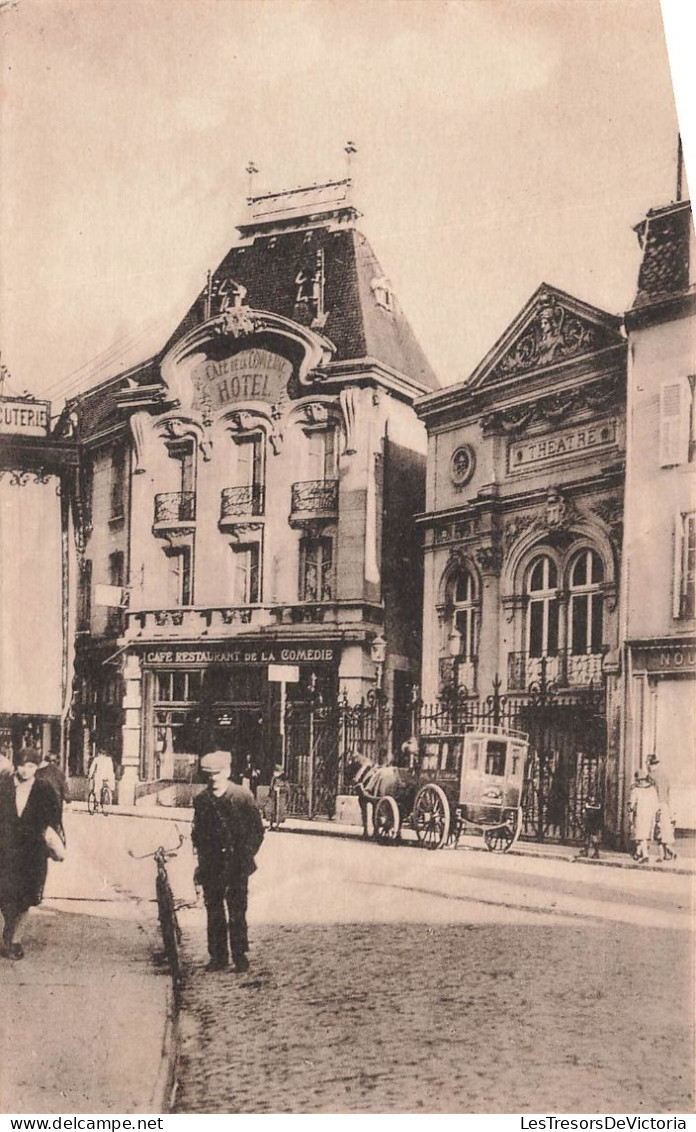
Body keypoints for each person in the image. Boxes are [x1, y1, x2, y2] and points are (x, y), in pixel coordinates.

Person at [192, 750, 264, 973]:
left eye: (218, 773)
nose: (214, 778)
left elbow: (257, 831)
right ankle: (218, 956)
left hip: (237, 864)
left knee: (237, 910)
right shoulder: (201, 801)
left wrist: (246, 855)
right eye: (209, 774)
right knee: (214, 911)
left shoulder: (243, 797)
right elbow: (198, 834)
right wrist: (201, 862)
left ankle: (240, 956)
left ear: (228, 772)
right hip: (211, 864)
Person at [0, 747, 63, 960]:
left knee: (26, 897)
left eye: (31, 766)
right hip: (5, 851)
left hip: (32, 853)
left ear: (36, 767)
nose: (26, 770)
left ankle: (15, 940)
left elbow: (53, 818)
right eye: (22, 765)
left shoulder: (44, 788)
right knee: (6, 896)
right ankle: (9, 927)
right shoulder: (3, 785)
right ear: (15, 765)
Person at [647, 753, 677, 862]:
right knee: (664, 831)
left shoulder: (650, 776)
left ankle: (662, 855)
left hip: (655, 805)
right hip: (665, 805)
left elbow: (650, 793)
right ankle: (668, 853)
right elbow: (668, 793)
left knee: (657, 831)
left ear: (650, 764)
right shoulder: (665, 776)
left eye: (647, 763)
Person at [628, 770, 659, 864]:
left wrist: (629, 808)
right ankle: (638, 853)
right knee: (644, 835)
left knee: (641, 836)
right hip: (650, 816)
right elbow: (656, 804)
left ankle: (645, 856)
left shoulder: (636, 790)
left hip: (640, 815)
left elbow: (631, 805)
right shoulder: (652, 789)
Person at [579, 792, 603, 859]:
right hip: (589, 823)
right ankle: (586, 851)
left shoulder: (596, 806)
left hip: (593, 823)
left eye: (593, 797)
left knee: (593, 836)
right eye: (591, 797)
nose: (592, 799)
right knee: (588, 836)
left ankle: (596, 852)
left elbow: (585, 813)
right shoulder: (595, 806)